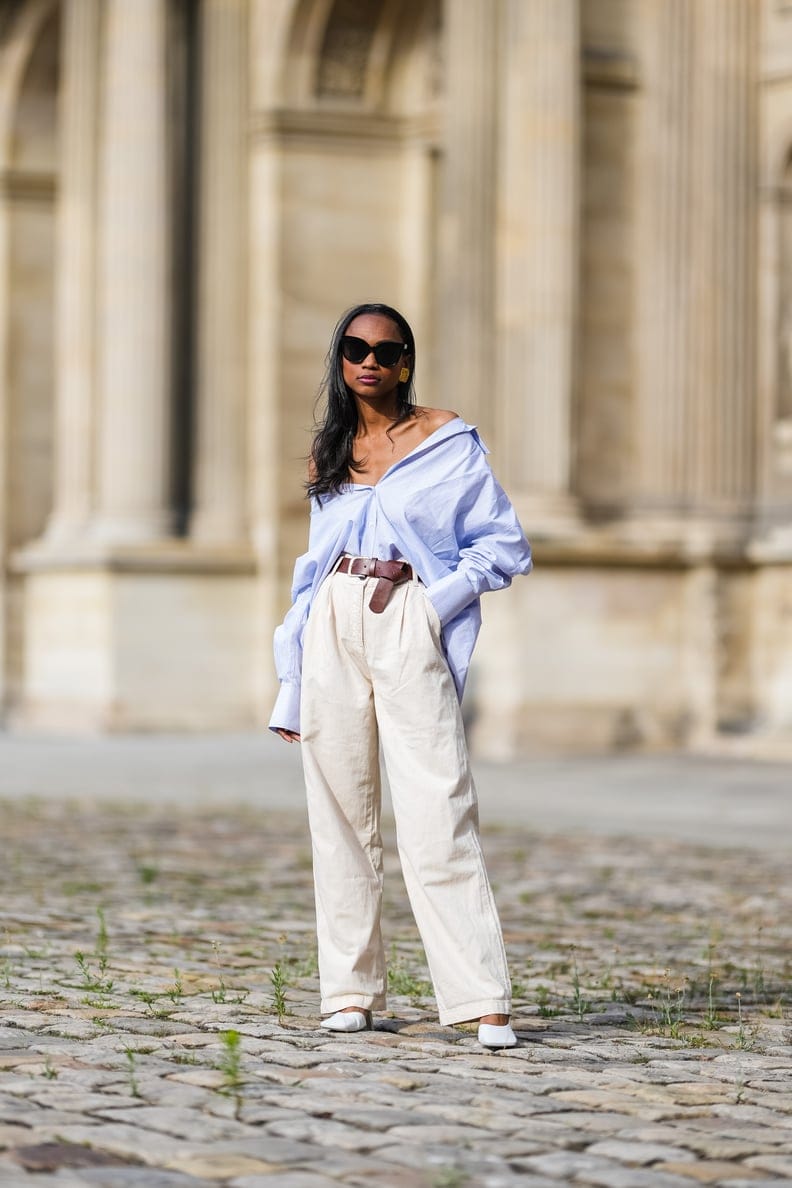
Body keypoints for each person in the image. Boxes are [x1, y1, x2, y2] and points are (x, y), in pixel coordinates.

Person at [270, 302, 532, 1049]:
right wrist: (291, 681)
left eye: (387, 349)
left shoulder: (447, 441)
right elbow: (309, 573)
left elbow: (502, 544)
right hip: (331, 624)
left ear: (407, 361)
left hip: (407, 611)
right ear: (341, 360)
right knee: (339, 814)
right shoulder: (333, 452)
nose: (370, 360)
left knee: (437, 804)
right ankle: (349, 989)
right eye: (355, 347)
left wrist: (433, 602)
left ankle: (482, 998)